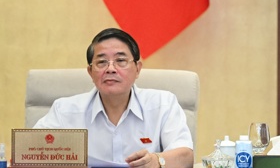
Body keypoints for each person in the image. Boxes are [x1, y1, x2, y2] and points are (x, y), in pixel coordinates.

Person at [34, 28, 194, 168]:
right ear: (90, 72)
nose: (110, 68)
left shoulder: (163, 104)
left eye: (121, 61)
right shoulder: (64, 111)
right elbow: (30, 153)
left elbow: (186, 157)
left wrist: (156, 161)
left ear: (137, 69)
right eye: (102, 62)